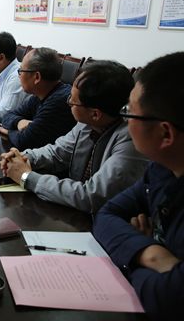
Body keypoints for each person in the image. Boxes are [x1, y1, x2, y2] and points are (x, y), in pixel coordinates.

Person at [93, 53, 184, 319]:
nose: (125, 120)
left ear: (165, 133)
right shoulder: (161, 169)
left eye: (129, 112)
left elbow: (169, 299)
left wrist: (130, 258)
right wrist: (150, 253)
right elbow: (106, 214)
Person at [0, 60, 148, 213]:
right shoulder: (87, 123)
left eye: (72, 101)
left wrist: (26, 177)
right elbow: (57, 153)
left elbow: (91, 196)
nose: (68, 102)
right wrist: (24, 158)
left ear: (95, 114)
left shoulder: (132, 140)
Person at [0, 48, 76, 150]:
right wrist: (19, 122)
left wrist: (9, 133)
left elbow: (25, 141)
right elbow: (7, 116)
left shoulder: (59, 101)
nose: (19, 76)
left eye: (21, 71)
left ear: (37, 77)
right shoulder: (40, 94)